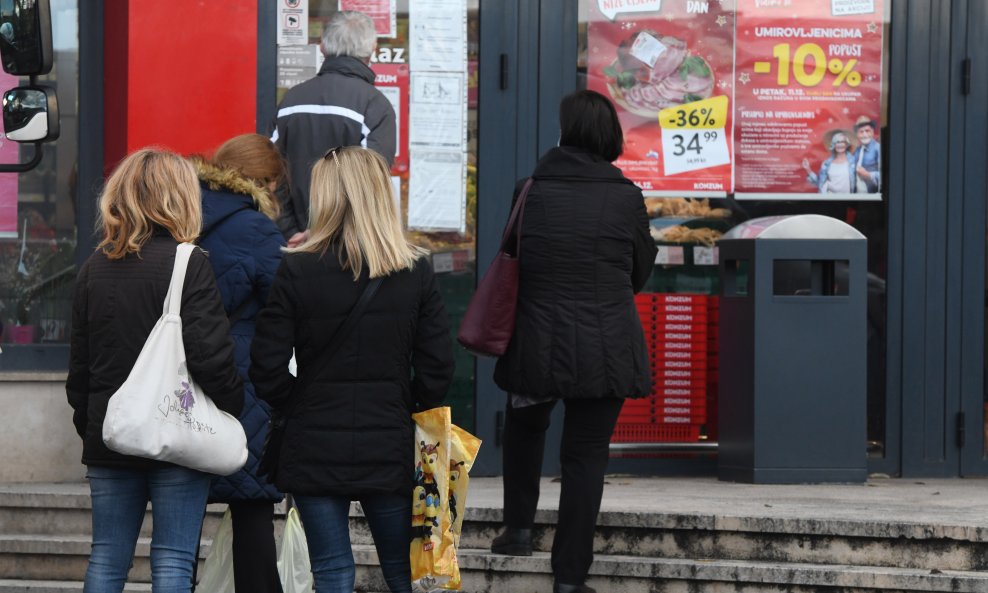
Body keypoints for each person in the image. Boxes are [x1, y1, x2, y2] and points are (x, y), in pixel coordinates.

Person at [250, 146, 454, 593]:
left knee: (332, 572)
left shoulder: (297, 268)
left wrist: (298, 402)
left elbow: (265, 365)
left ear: (326, 197)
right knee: (405, 572)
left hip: (314, 441)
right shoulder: (414, 269)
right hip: (392, 441)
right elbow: (439, 364)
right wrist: (409, 405)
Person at [488, 90, 657, 593]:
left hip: (536, 342)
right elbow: (639, 271)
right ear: (610, 138)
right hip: (606, 347)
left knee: (525, 427)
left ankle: (518, 530)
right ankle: (568, 579)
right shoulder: (627, 196)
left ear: (565, 134)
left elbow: (512, 261)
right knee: (585, 458)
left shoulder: (529, 190)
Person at [65, 148, 243, 593]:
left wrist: (92, 424)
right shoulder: (189, 263)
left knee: (106, 558)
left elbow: (79, 371)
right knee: (173, 559)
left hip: (112, 434)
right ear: (180, 197)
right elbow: (210, 357)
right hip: (177, 430)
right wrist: (231, 407)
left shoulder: (93, 268)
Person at [192, 134, 287, 593]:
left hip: (180, 388)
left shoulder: (178, 214)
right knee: (252, 514)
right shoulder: (257, 229)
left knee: (179, 522)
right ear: (261, 181)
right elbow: (281, 307)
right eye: (274, 185)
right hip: (241, 390)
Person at [271, 10, 397, 248]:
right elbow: (370, 184)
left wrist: (292, 232)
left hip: (294, 243)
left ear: (322, 48)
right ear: (373, 48)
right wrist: (326, 233)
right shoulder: (375, 105)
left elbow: (270, 173)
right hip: (350, 248)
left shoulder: (291, 100)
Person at [853, 116, 881, 193]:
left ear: (872, 132)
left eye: (867, 131)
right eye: (861, 132)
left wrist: (868, 175)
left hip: (871, 196)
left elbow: (886, 175)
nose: (865, 135)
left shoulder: (878, 149)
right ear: (857, 134)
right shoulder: (857, 150)